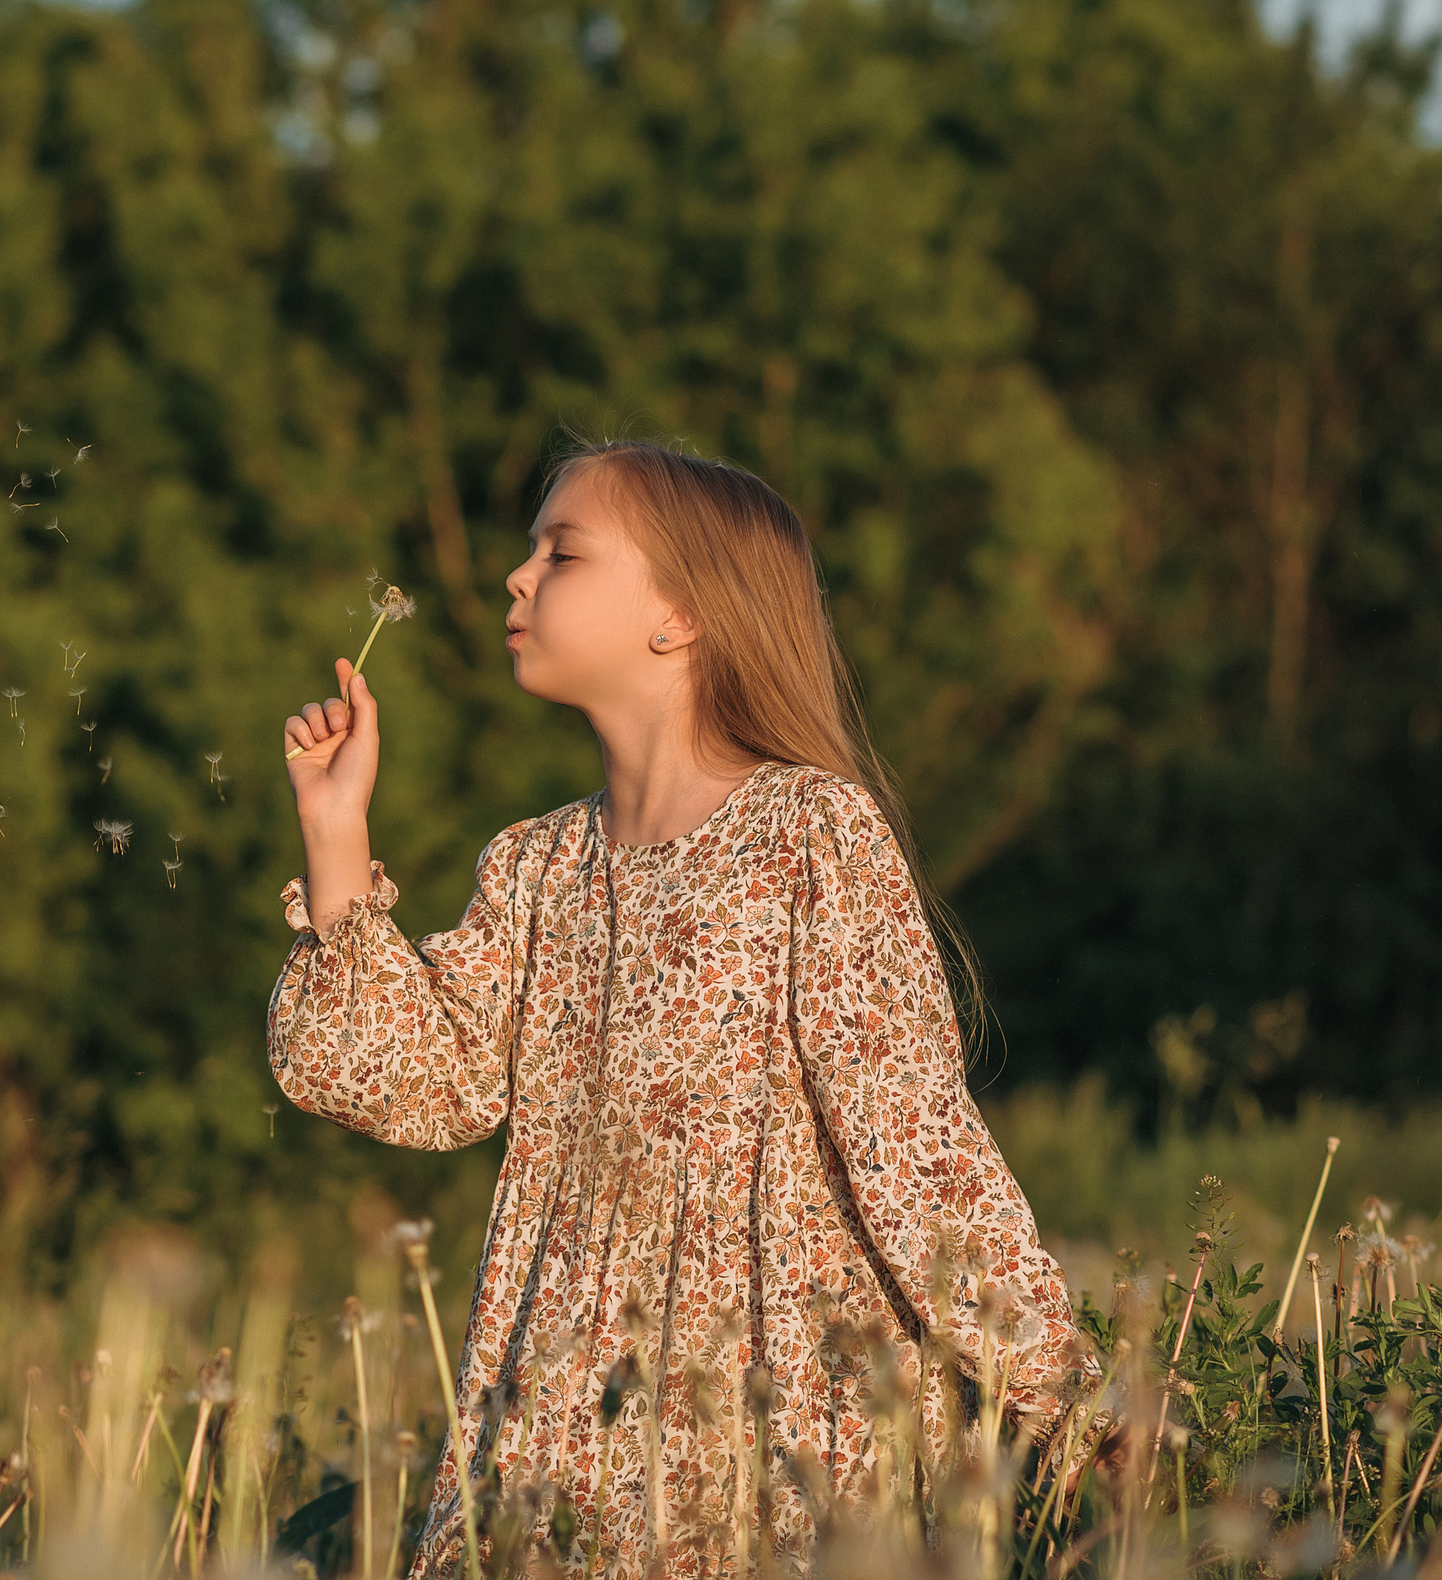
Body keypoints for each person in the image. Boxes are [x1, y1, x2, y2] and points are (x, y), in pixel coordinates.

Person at [272, 439, 1103, 1577]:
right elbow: (404, 1078)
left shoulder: (810, 832)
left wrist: (1066, 1397)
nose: (516, 578)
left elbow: (915, 1149)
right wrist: (334, 831)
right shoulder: (536, 867)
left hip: (774, 1421)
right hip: (564, 1419)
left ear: (681, 616)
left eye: (560, 551)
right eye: (526, 551)